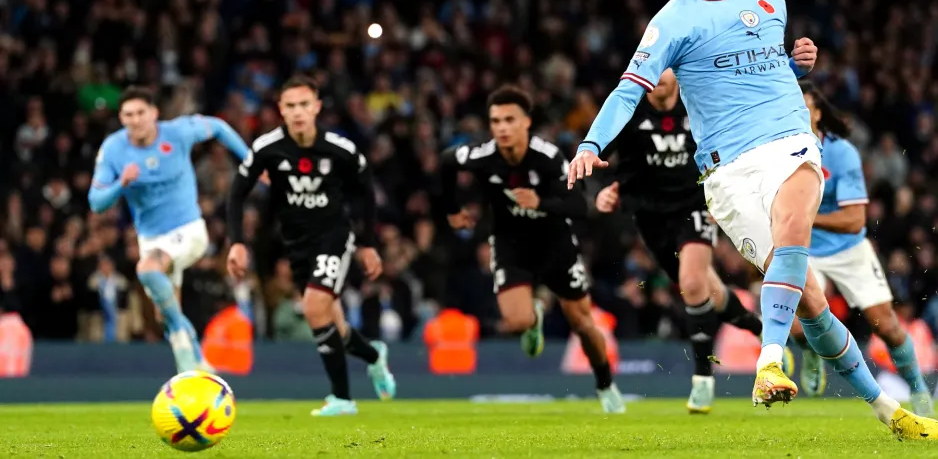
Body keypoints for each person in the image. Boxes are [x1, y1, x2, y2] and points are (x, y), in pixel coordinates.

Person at [566, 0, 938, 439]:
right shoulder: (672, 21)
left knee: (795, 230)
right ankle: (888, 410)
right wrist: (591, 142)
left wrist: (795, 67)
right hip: (726, 170)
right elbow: (630, 88)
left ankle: (769, 361)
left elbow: (763, 73)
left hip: (790, 141)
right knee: (809, 301)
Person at [593, 68, 773, 413]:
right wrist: (605, 191)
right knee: (709, 291)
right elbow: (601, 153)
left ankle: (703, 378)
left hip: (695, 205)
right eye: (652, 65)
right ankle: (760, 330)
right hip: (650, 215)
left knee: (692, 284)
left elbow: (730, 143)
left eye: (666, 65)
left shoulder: (699, 102)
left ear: (678, 73)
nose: (658, 73)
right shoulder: (627, 107)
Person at [440, 84, 625, 413]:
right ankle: (533, 318)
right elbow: (446, 161)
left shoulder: (549, 157)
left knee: (582, 324)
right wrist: (452, 209)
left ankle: (606, 384)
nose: (502, 128)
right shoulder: (483, 155)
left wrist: (540, 201)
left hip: (555, 245)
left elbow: (579, 206)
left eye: (509, 120)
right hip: (511, 246)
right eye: (495, 121)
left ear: (526, 122)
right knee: (516, 320)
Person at [225, 76, 395, 417]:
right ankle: (375, 356)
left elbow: (366, 194)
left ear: (317, 107)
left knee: (314, 308)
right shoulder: (267, 148)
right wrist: (237, 243)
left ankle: (342, 399)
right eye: (291, 106)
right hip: (296, 244)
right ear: (281, 110)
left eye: (305, 105)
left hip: (333, 237)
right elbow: (236, 194)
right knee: (337, 328)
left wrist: (368, 244)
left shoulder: (340, 149)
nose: (298, 112)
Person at [790, 82, 934, 416]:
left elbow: (855, 220)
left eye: (805, 106)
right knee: (798, 324)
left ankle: (917, 386)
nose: (798, 112)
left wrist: (807, 216)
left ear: (818, 113)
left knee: (885, 325)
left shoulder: (841, 153)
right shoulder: (779, 153)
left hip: (848, 248)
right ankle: (812, 353)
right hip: (806, 249)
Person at [88, 86, 250, 374]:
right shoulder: (114, 149)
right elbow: (96, 202)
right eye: (128, 114)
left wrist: (250, 161)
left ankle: (192, 350)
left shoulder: (177, 133)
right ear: (121, 118)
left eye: (140, 113)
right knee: (165, 315)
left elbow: (219, 127)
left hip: (188, 229)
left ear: (154, 114)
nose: (135, 120)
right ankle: (194, 372)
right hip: (151, 237)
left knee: (147, 269)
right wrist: (120, 184)